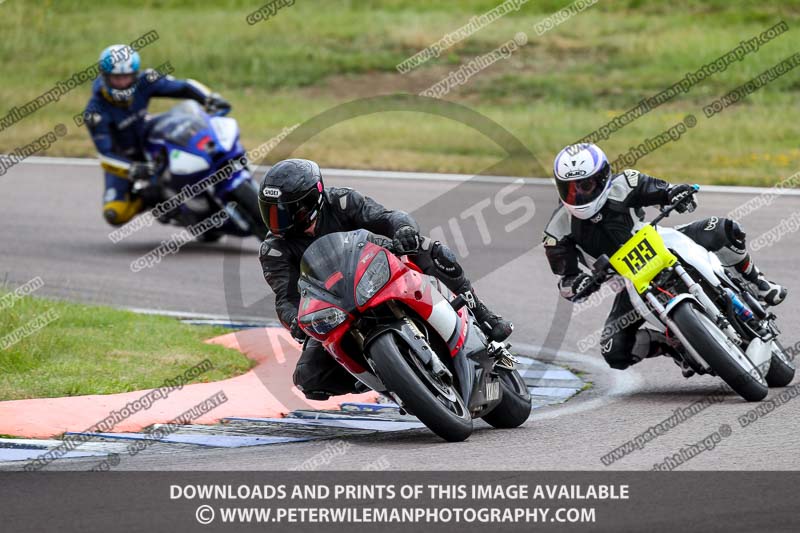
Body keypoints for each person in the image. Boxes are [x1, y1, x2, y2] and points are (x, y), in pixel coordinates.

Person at [258, 158, 513, 400]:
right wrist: (294, 321)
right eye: (270, 213)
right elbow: (286, 298)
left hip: (373, 271)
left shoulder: (342, 201)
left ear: (314, 199)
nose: (278, 221)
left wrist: (403, 230)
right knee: (308, 379)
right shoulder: (274, 250)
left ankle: (483, 315)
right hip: (334, 307)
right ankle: (387, 377)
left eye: (287, 212)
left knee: (431, 250)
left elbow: (387, 217)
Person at [543, 143, 787, 373]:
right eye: (570, 188)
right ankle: (673, 345)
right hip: (629, 280)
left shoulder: (626, 182)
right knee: (613, 350)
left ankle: (758, 283)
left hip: (661, 240)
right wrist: (579, 284)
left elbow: (665, 191)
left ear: (603, 177)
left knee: (724, 228)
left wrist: (678, 195)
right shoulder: (556, 230)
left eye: (585, 186)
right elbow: (566, 280)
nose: (578, 195)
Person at [83, 44, 230, 226]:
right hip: (125, 160)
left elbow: (184, 86)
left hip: (147, 135)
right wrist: (133, 169)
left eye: (126, 77)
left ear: (135, 74)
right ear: (105, 77)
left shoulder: (146, 79)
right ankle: (152, 199)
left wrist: (210, 98)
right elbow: (105, 155)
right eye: (116, 78)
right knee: (115, 214)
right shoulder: (95, 112)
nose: (122, 83)